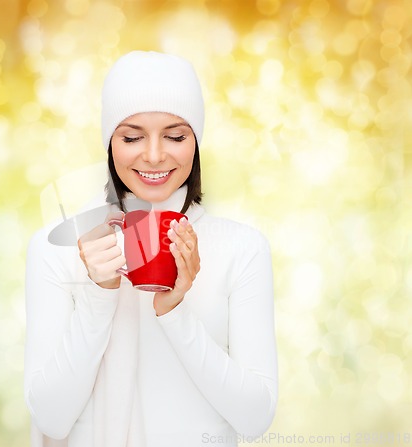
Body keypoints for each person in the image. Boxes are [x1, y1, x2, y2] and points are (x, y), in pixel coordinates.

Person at [24, 51, 278, 447]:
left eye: (176, 136)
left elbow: (254, 417)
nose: (155, 155)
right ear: (109, 141)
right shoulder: (57, 248)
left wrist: (175, 312)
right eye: (132, 137)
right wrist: (99, 295)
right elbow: (52, 419)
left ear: (197, 141)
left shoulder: (241, 249)